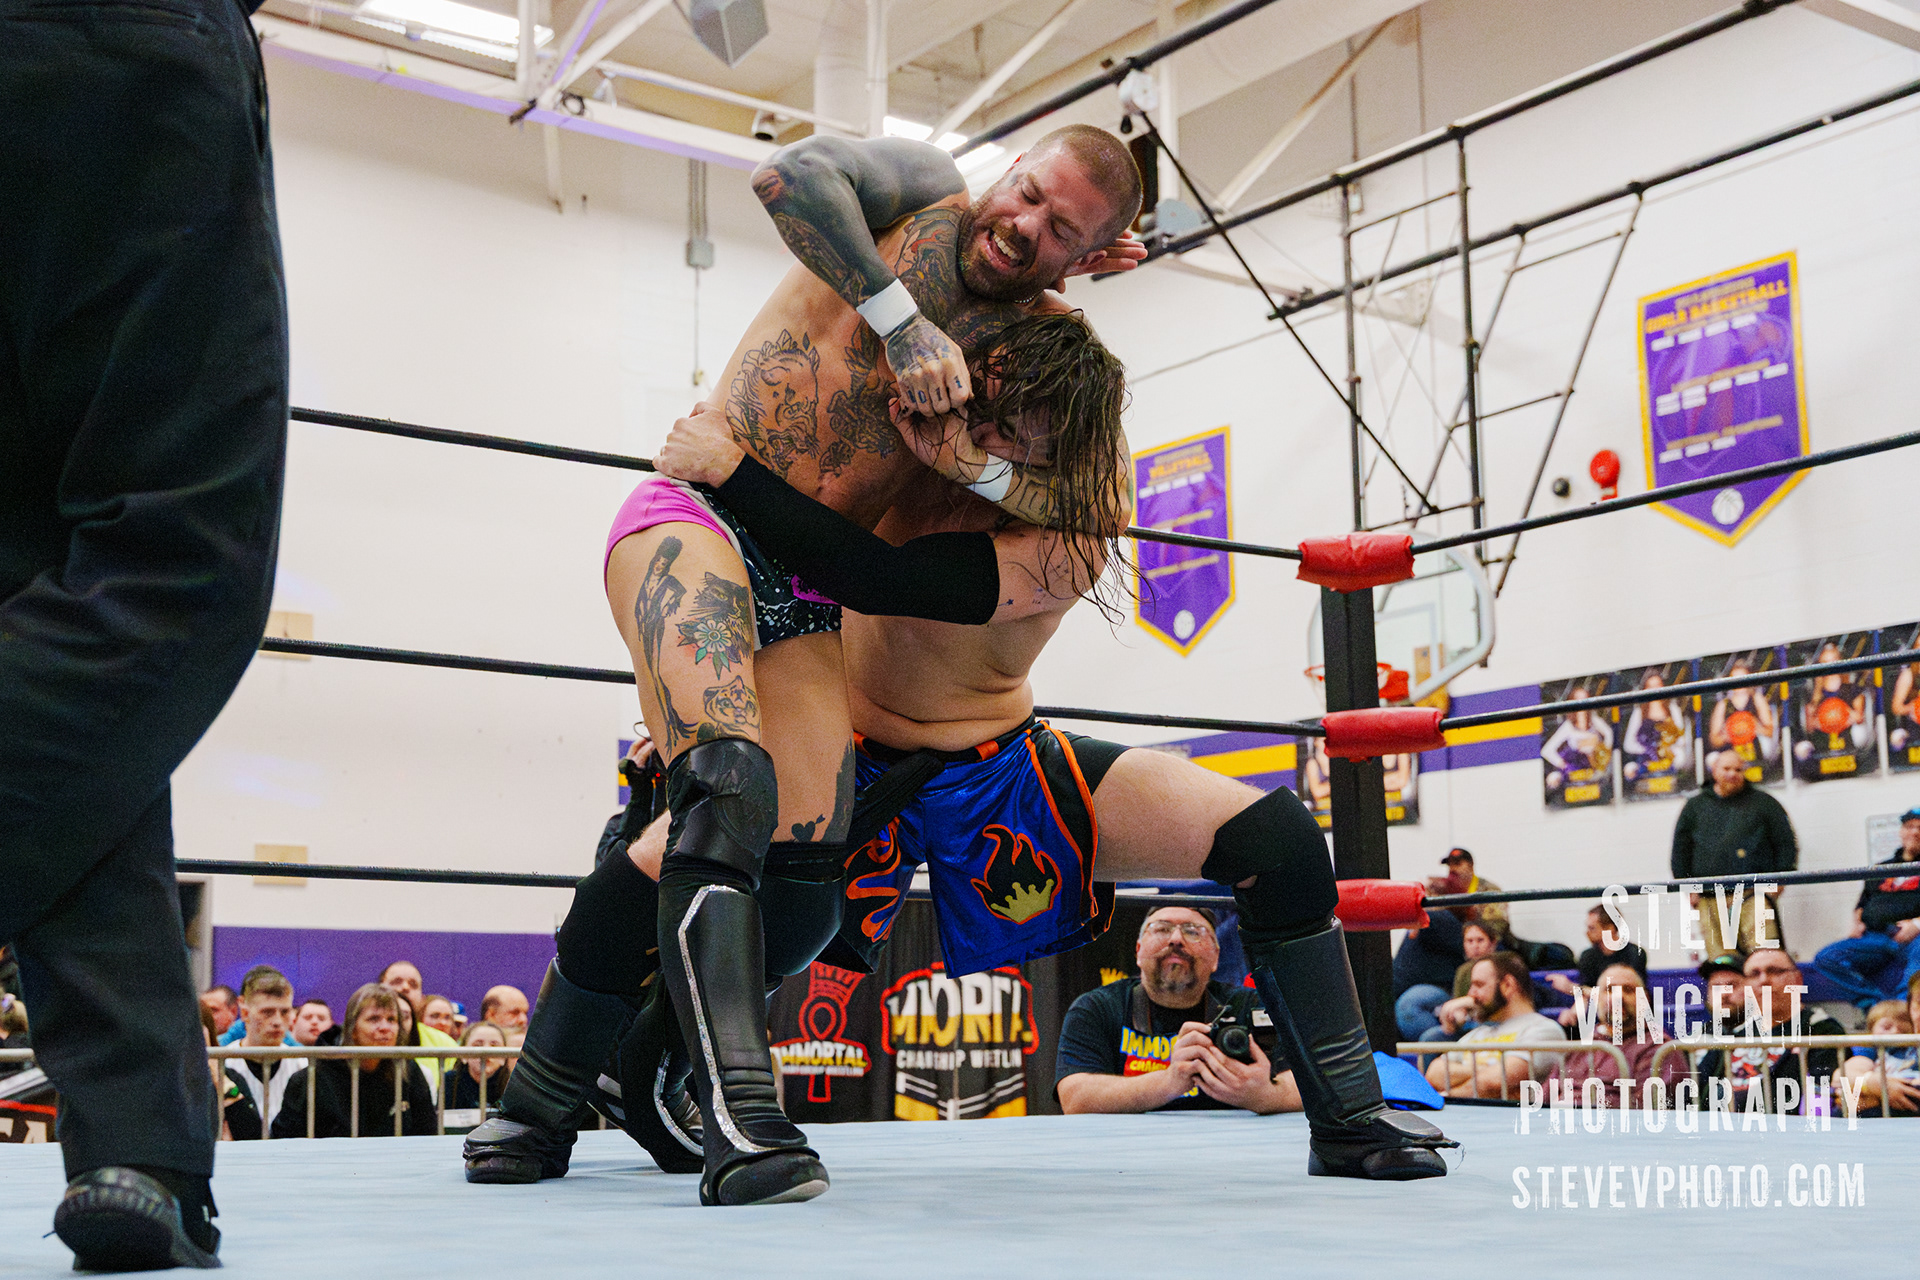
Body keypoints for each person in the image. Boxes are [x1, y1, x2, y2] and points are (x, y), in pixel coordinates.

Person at [468, 124, 1150, 1207]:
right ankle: (741, 1114)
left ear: (1095, 253)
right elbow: (786, 175)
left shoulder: (1044, 344)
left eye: (1060, 227)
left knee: (804, 888)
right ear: (1009, 167)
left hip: (806, 586)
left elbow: (1091, 500)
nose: (1022, 224)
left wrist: (973, 463)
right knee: (727, 783)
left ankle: (549, 1088)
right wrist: (901, 320)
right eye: (1026, 192)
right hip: (697, 507)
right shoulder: (919, 194)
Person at [593, 382, 1458, 1179]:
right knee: (683, 863)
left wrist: (736, 470)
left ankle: (1350, 1118)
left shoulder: (1076, 526)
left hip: (999, 763)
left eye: (1022, 424)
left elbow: (881, 579)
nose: (989, 425)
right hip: (840, 752)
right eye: (991, 407)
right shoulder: (901, 431)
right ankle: (580, 1087)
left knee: (1279, 839)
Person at [2, 0, 289, 1259]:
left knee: (53, 612)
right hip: (124, 49)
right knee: (172, 565)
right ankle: (140, 1139)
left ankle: (140, 1143)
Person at [1054, 906, 1298, 1115]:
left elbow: (1312, 1081)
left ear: (1215, 957)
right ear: (1138, 951)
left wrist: (1268, 1095)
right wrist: (1169, 1082)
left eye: (1193, 931)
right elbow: (1074, 1098)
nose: (1176, 939)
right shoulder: (1097, 1008)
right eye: (1161, 929)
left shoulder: (1254, 1006)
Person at [1671, 750, 1798, 954]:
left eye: (1738, 770)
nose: (1732, 774)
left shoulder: (1765, 803)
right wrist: (1688, 888)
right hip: (1709, 898)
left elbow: (1785, 843)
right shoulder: (1694, 807)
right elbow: (1681, 850)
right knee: (1721, 961)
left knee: (1764, 955)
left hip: (1755, 895)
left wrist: (1779, 882)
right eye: (1727, 768)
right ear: (1714, 770)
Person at [271, 984, 436, 1139]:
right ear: (352, 1029)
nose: (385, 1027)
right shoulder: (311, 1079)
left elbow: (428, 1134)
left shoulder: (408, 1070)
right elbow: (285, 1141)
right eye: (374, 1019)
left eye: (392, 1019)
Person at [1693, 950, 1842, 1114]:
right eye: (1754, 974)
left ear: (1797, 980)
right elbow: (1696, 1091)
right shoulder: (1737, 1034)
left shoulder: (1821, 1029)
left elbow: (1820, 1101)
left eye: (1775, 971)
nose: (1763, 980)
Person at [1811, 806, 1920, 1008]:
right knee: (1827, 957)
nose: (1915, 832)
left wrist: (1916, 925)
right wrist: (1857, 922)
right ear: (1901, 831)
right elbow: (1862, 903)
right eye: (1909, 826)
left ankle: (1904, 1010)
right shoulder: (1881, 868)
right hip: (1875, 936)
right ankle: (1875, 1006)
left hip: (1915, 938)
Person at [1422, 952, 1566, 1099]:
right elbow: (1434, 1073)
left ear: (1507, 985)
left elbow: (1493, 1083)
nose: (1471, 993)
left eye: (1479, 985)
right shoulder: (1478, 1033)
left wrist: (1445, 1096)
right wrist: (1490, 1072)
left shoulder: (1544, 1030)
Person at [1541, 965, 1686, 1106]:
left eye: (1628, 990)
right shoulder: (1579, 1047)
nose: (1618, 997)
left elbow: (1643, 1113)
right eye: (1609, 990)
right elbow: (1542, 1102)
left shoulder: (1660, 1049)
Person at [223, 969, 304, 1139]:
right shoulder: (223, 1063)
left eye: (285, 1012)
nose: (277, 1021)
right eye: (267, 1012)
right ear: (245, 1012)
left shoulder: (302, 1064)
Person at [1418, 921, 1507, 1042]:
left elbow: (1498, 1003)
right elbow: (1459, 1006)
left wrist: (1466, 1002)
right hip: (1468, 1023)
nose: (1475, 946)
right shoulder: (1462, 971)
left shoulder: (1502, 967)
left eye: (1480, 940)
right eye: (1469, 941)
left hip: (1495, 1022)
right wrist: (1455, 1017)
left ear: (1493, 943)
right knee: (1430, 1038)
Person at [1392, 909, 1467, 1039]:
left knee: (1410, 1004)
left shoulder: (1443, 919)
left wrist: (1418, 915)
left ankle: (1436, 1044)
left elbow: (1431, 918)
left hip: (1438, 989)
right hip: (1401, 990)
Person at [1840, 996, 1918, 1116]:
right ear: (1871, 1030)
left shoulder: (1914, 1050)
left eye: (1904, 1030)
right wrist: (1872, 1084)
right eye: (1887, 1027)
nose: (1895, 1032)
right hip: (1879, 1105)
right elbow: (1844, 1073)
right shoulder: (1870, 1050)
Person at [1425, 849, 1508, 937]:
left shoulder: (1489, 889)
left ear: (1471, 866)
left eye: (1457, 864)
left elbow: (1498, 925)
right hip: (1454, 938)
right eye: (1449, 865)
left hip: (1482, 939)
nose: (1452, 869)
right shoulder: (1444, 889)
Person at [448, 1022, 513, 1112]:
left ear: (504, 1058)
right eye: (477, 1045)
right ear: (463, 1055)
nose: (486, 1050)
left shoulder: (513, 1087)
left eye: (494, 1045)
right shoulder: (449, 1081)